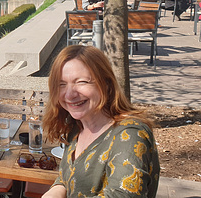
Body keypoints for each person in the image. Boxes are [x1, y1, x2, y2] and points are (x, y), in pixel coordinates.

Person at [41, 45, 160, 198]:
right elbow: (68, 177)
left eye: (82, 82)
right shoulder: (76, 127)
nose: (69, 94)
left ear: (106, 84)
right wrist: (55, 191)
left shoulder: (131, 135)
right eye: (61, 84)